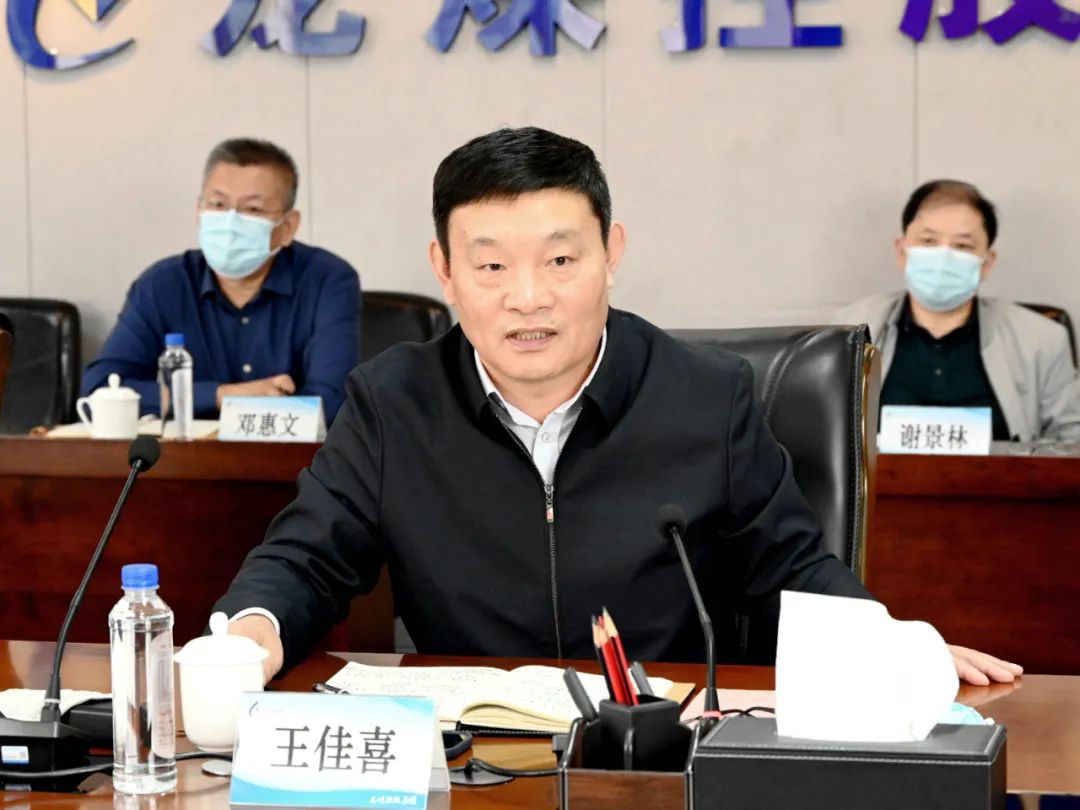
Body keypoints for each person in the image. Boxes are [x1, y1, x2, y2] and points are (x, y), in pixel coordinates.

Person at [216, 128, 1021, 687]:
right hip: (473, 754)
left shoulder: (706, 397)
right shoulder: (394, 401)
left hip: (660, 746)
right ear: (445, 271)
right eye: (491, 267)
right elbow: (307, 557)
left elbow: (790, 568)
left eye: (560, 259)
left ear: (612, 254)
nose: (528, 297)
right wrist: (247, 638)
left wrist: (886, 643)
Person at [81, 138, 360, 423]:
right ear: (199, 211)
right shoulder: (163, 285)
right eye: (218, 204)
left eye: (252, 209)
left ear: (287, 226)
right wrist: (222, 396)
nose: (230, 222)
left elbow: (334, 404)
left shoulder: (327, 281)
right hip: (185, 452)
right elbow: (98, 394)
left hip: (290, 453)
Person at [837, 179, 1080, 442]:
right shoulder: (848, 331)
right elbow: (827, 434)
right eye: (929, 241)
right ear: (902, 252)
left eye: (963, 246)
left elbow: (1070, 442)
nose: (944, 257)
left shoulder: (1042, 341)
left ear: (986, 263)